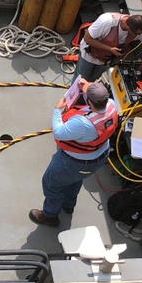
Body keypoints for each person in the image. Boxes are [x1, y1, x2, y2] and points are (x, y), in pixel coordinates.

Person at [30, 80, 118, 227]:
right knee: (75, 180)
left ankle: (50, 216)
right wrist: (85, 85)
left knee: (52, 184)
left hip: (73, 163)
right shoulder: (111, 105)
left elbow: (58, 132)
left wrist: (57, 110)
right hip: (98, 157)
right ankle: (68, 205)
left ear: (89, 101)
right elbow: (94, 95)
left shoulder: (83, 123)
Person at [74, 13, 142, 83]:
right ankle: (71, 103)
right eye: (137, 34)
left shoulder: (140, 30)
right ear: (129, 28)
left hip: (105, 60)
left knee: (91, 80)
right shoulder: (106, 22)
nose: (139, 36)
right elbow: (87, 38)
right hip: (88, 56)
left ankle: (83, 100)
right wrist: (109, 49)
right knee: (80, 79)